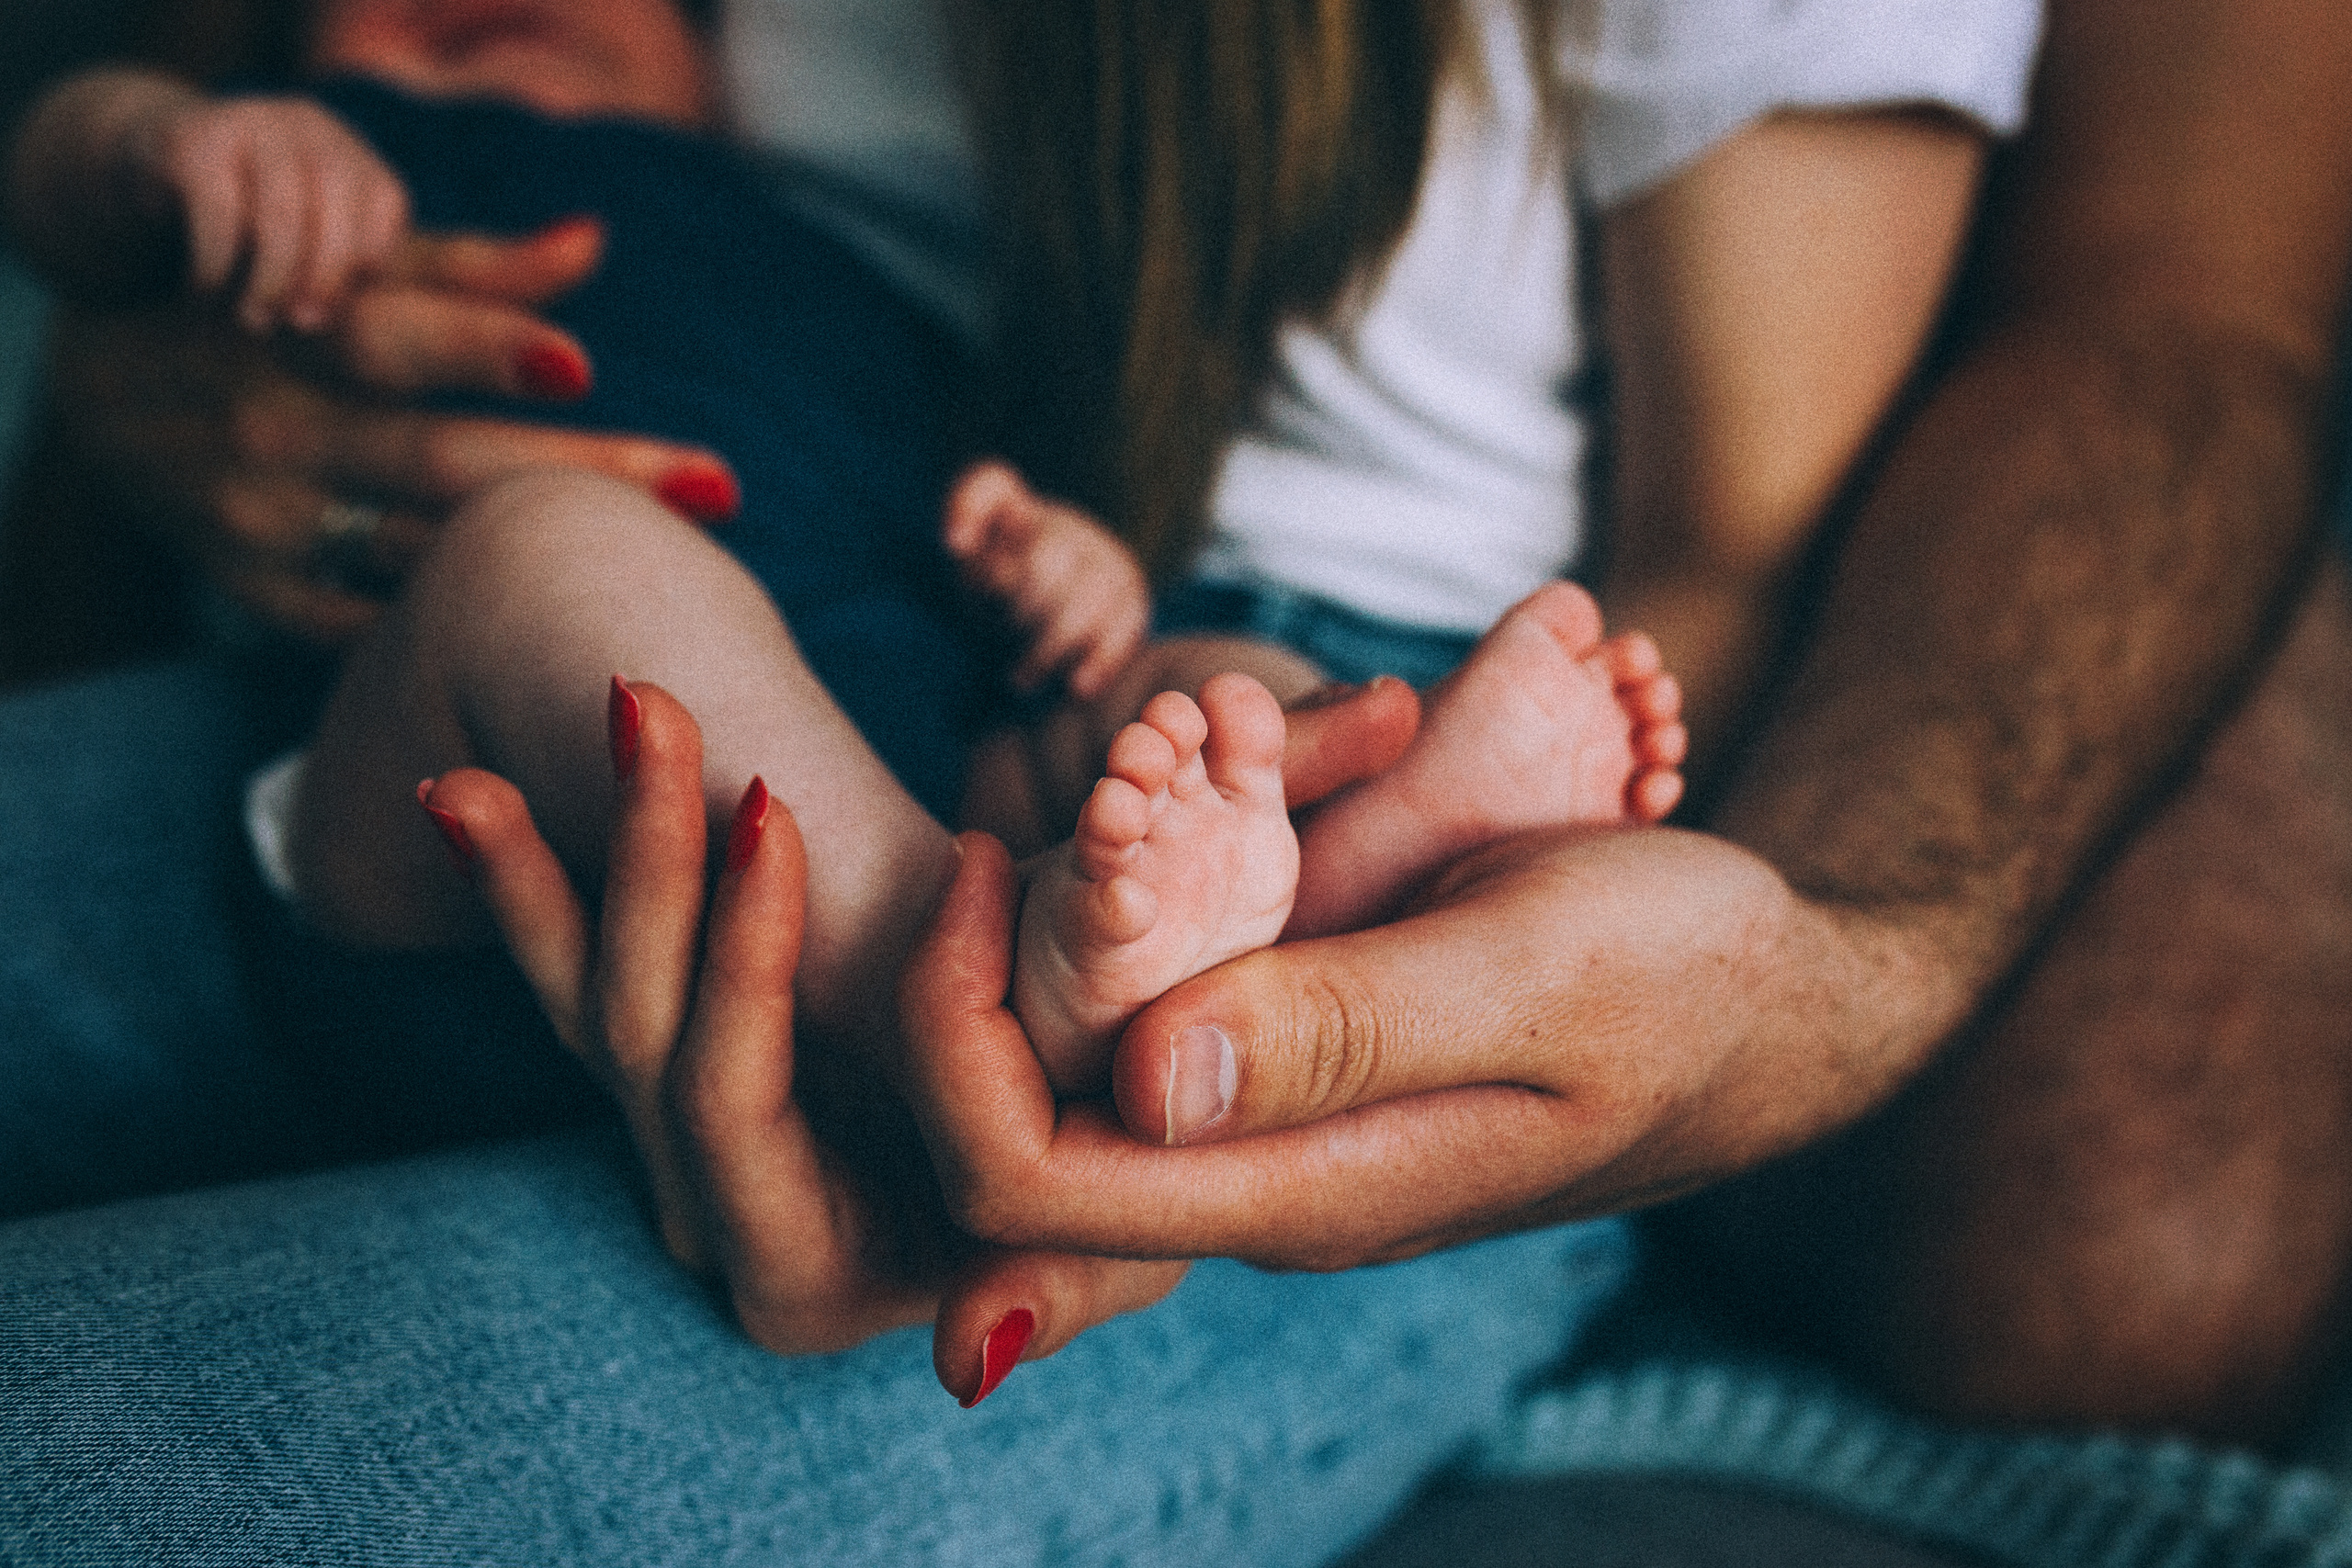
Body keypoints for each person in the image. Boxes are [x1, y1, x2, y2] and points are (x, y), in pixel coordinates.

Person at [6, 0, 2346, 1560]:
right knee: (625, 596)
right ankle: (1034, 951)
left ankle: (1331, 852)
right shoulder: (466, 133)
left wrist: (1768, 925)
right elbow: (105, 155)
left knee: (89, 1428)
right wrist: (148, 330)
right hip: (716, 682)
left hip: (1115, 685)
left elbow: (1770, 519)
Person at [7, 0, 1686, 1116]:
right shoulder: (342, 164)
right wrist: (168, 147)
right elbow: (63, 173)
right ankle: (954, 1016)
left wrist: (1052, 554)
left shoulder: (826, 247)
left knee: (1177, 699)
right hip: (460, 847)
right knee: (558, 555)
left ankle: (1364, 798)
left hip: (908, 772)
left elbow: (959, 490)